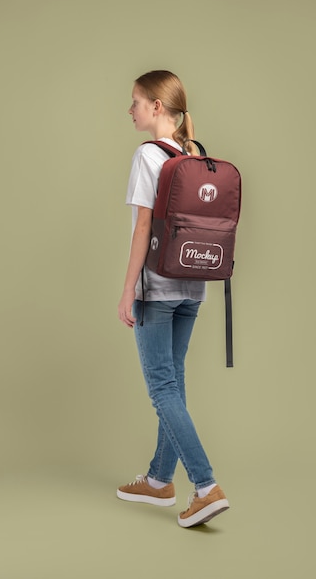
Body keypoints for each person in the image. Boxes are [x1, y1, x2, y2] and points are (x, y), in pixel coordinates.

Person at [117, 70, 229, 528]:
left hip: (157, 288)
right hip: (194, 286)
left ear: (157, 107)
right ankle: (161, 480)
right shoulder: (195, 153)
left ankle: (205, 487)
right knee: (175, 385)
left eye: (136, 102)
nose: (131, 110)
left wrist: (128, 290)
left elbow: (144, 229)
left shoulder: (148, 155)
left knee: (162, 389)